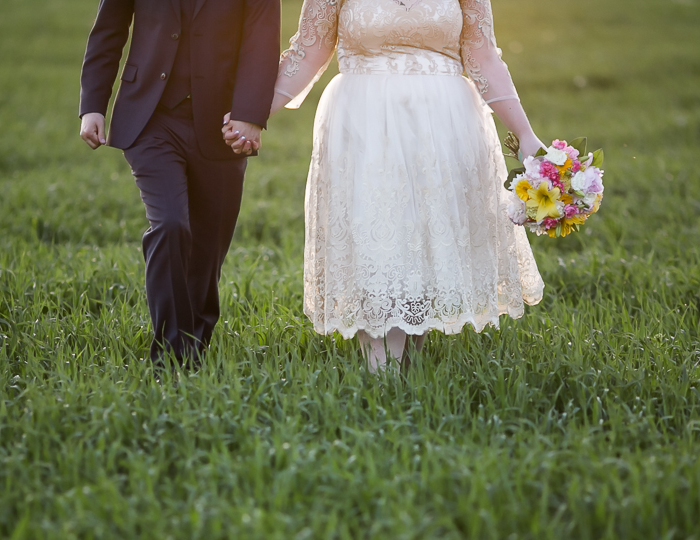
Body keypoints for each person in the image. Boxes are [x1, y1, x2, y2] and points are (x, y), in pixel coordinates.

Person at [230, 0, 545, 372]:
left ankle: (407, 359)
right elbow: (309, 50)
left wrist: (525, 134)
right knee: (379, 236)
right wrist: (250, 114)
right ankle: (382, 370)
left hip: (445, 122)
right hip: (364, 120)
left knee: (425, 237)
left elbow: (483, 56)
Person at [79, 0, 281, 367]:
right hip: (150, 117)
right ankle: (173, 359)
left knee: (209, 244)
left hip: (222, 123)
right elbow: (109, 29)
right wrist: (93, 104)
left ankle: (195, 343)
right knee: (170, 224)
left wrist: (250, 116)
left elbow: (262, 40)